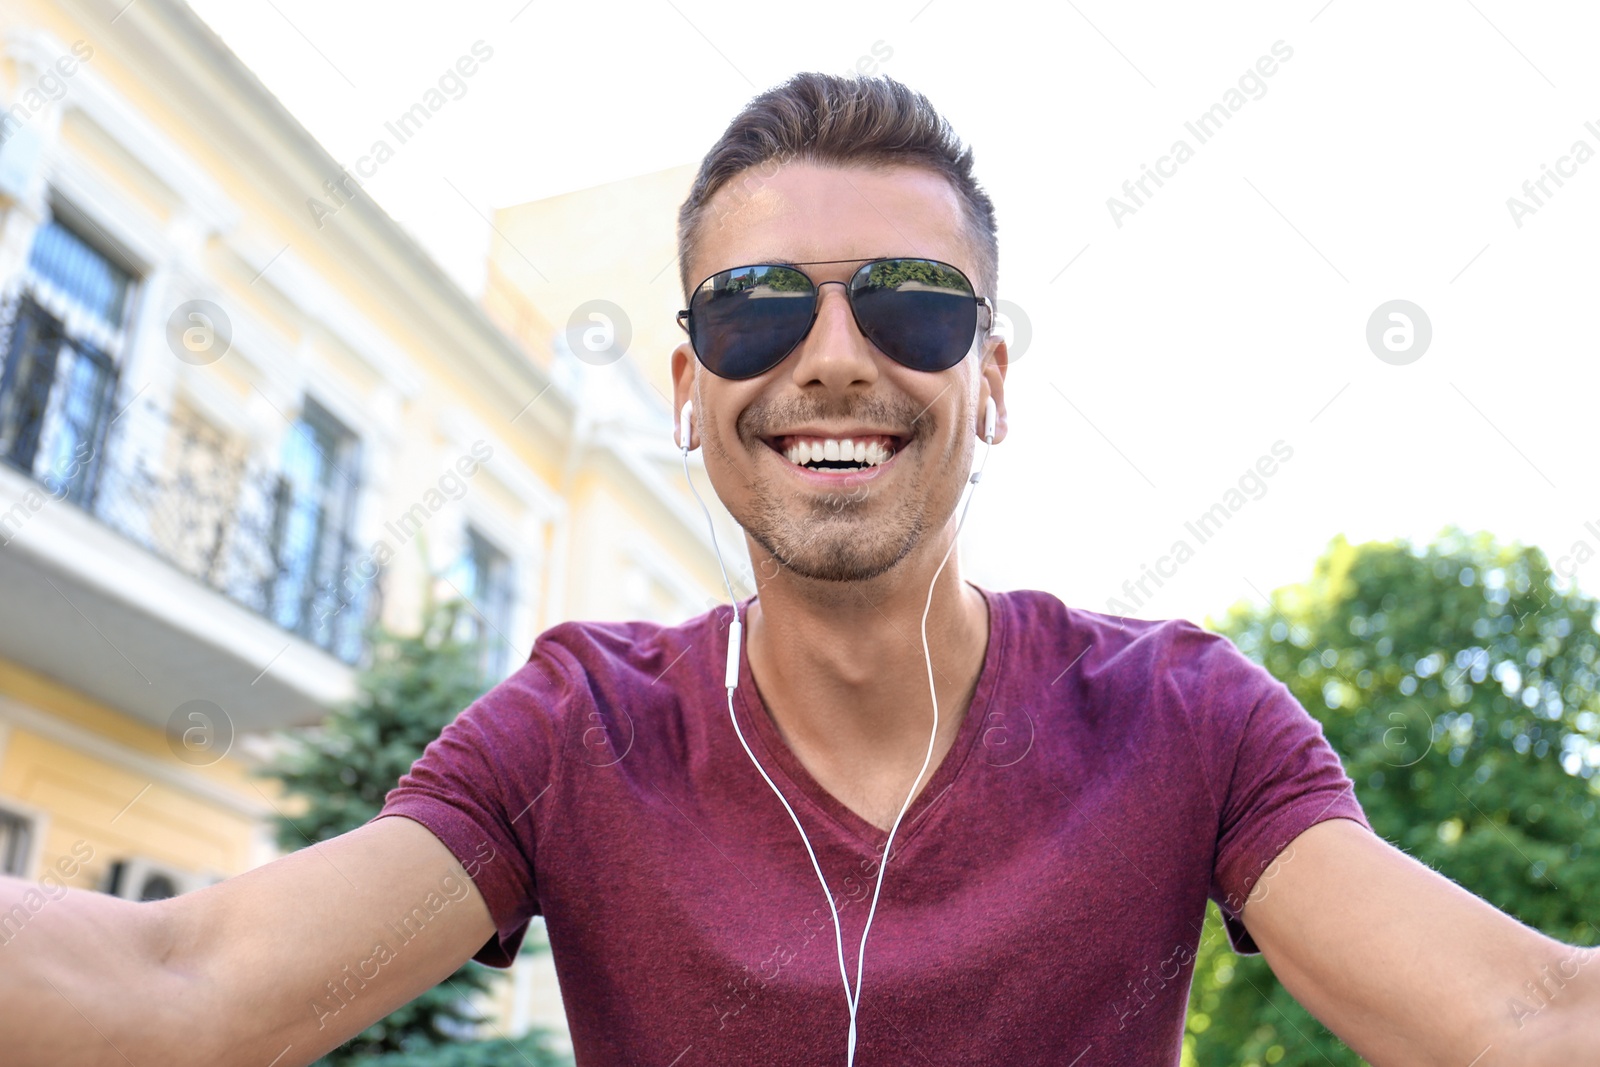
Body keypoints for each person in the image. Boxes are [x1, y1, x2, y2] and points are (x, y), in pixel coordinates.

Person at [1, 73, 1595, 1067]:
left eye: (911, 305)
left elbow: (1521, 1021)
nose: (834, 361)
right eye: (760, 308)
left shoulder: (1184, 718)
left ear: (993, 379)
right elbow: (182, 986)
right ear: (690, 390)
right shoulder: (577, 731)